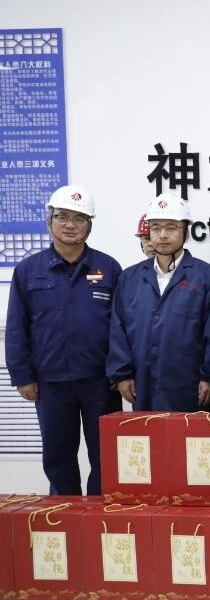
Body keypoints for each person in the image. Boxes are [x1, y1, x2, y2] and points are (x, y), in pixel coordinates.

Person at [6, 185, 122, 495]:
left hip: (101, 382)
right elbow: (17, 327)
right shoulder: (28, 271)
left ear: (89, 225)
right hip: (50, 382)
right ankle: (63, 515)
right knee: (58, 457)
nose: (70, 225)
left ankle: (100, 514)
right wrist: (22, 376)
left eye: (79, 218)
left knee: (106, 457)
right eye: (62, 217)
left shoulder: (108, 268)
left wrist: (120, 371)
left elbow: (121, 326)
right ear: (49, 221)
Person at [107, 195, 210, 412]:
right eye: (156, 228)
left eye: (171, 227)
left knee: (190, 433)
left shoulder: (207, 276)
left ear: (186, 231)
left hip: (190, 385)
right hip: (142, 384)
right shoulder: (130, 278)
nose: (163, 235)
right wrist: (122, 374)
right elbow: (118, 329)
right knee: (147, 432)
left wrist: (208, 376)